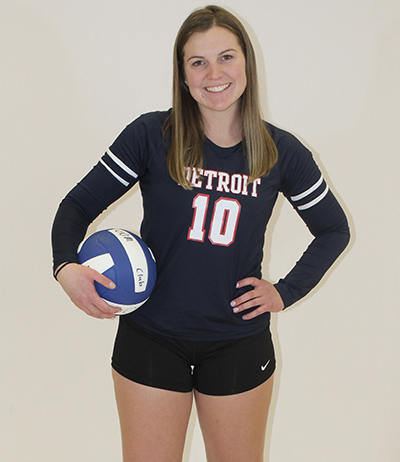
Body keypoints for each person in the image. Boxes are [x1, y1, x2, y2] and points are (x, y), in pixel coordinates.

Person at [52, 5, 350, 462]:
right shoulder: (152, 135)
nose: (215, 73)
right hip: (152, 336)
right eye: (198, 62)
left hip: (236, 341)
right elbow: (76, 206)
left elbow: (333, 229)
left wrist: (285, 292)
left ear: (247, 63)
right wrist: (64, 266)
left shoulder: (280, 152)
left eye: (227, 57)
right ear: (183, 75)